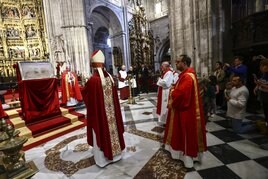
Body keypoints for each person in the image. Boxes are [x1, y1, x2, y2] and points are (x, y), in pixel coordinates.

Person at [82, 50, 125, 167]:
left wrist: (83, 88)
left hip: (100, 117)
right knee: (112, 128)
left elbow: (88, 99)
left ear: (93, 65)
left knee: (101, 129)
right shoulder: (110, 78)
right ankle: (116, 155)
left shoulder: (92, 81)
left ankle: (102, 160)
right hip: (112, 117)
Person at [163, 54, 207, 168]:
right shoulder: (187, 75)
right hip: (186, 110)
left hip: (186, 112)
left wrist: (173, 91)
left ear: (185, 63)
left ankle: (188, 159)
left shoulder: (187, 76)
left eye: (178, 62)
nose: (176, 64)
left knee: (186, 135)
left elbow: (182, 95)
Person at [253, 59, 268, 149]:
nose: (260, 68)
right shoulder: (265, 74)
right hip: (265, 99)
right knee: (266, 119)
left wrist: (260, 85)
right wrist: (257, 86)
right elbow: (263, 82)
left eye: (262, 66)